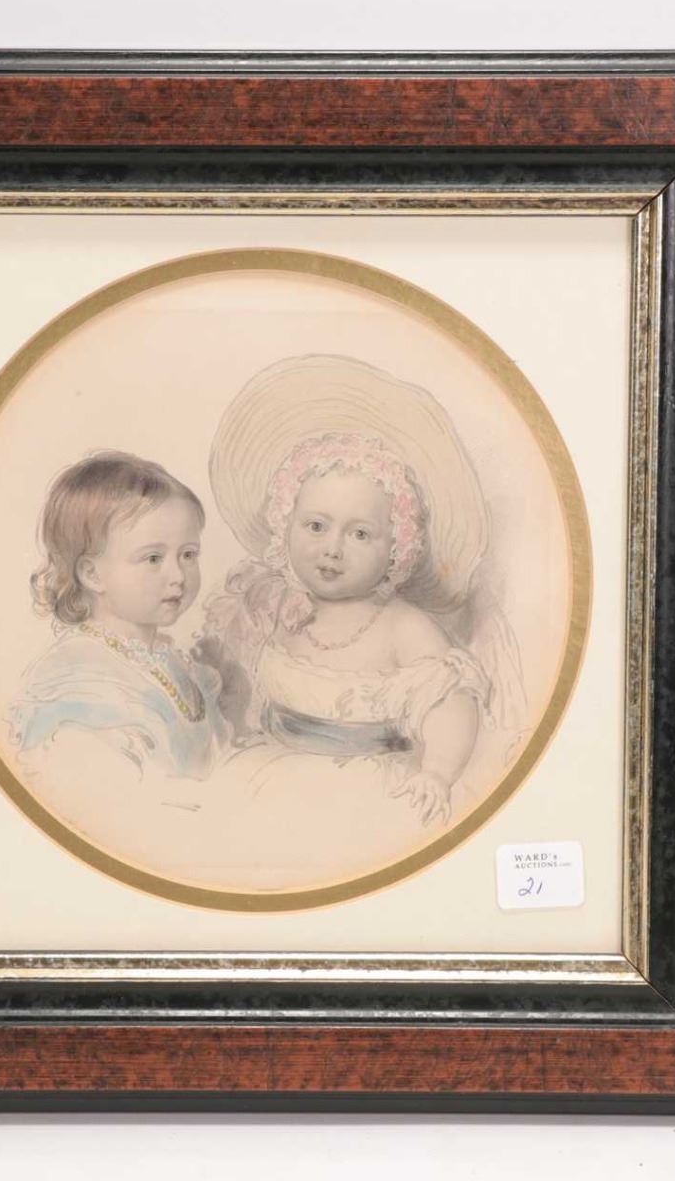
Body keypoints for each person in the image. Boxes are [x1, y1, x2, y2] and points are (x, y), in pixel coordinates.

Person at [197, 356, 524, 883]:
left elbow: (450, 705)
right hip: (270, 774)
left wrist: (437, 773)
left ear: (397, 547)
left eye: (359, 534)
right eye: (316, 526)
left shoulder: (403, 627)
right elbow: (232, 683)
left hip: (364, 793)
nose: (333, 548)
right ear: (285, 526)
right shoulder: (274, 602)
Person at [9, 452, 223, 828]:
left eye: (188, 555)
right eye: (153, 558)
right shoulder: (80, 679)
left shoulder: (169, 661)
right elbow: (114, 807)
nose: (178, 575)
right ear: (92, 574)